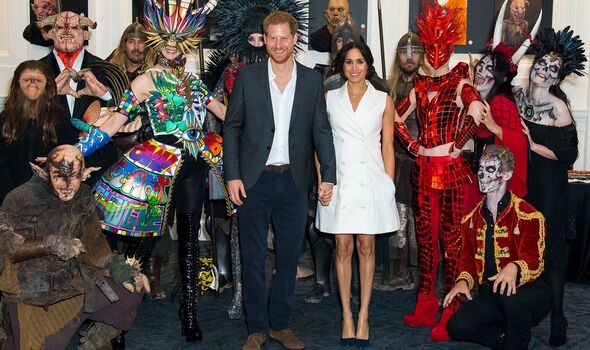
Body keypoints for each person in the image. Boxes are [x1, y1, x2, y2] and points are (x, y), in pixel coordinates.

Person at [73, 0, 227, 342]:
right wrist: (78, 148)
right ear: (156, 39)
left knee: (189, 239)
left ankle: (189, 312)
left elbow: (228, 116)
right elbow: (115, 120)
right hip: (158, 166)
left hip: (193, 163)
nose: (172, 43)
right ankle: (115, 319)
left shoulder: (195, 81)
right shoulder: (145, 80)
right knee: (141, 246)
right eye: (166, 37)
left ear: (188, 41)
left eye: (179, 37)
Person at [223, 11, 337, 350]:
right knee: (254, 257)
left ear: (294, 38)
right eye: (271, 37)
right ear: (265, 39)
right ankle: (256, 328)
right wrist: (232, 175)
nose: (277, 44)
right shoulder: (248, 77)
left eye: (283, 37)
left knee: (289, 256)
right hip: (253, 182)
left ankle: (281, 324)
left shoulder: (312, 81)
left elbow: (321, 131)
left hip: (294, 182)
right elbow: (231, 127)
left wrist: (327, 175)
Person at [394, 2, 486, 341]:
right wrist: (413, 147)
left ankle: (452, 308)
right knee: (426, 242)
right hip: (423, 170)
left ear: (449, 46)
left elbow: (476, 108)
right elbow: (393, 116)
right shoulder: (419, 84)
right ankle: (425, 304)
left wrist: (459, 141)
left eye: (440, 47)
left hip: (450, 172)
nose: (434, 53)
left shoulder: (460, 79)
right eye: (429, 47)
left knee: (452, 242)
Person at [0, 145, 147, 350]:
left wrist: (115, 265)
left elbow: (93, 244)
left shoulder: (84, 195)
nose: (68, 186)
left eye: (75, 177)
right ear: (44, 172)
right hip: (29, 293)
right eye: (59, 176)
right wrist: (49, 244)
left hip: (72, 284)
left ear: (86, 174)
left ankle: (95, 342)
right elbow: (8, 248)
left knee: (132, 287)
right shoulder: (20, 198)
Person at [315, 41, 399, 347]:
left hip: (371, 180)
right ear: (341, 65)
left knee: (366, 247)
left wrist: (388, 184)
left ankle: (363, 314)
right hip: (338, 181)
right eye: (348, 62)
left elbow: (387, 146)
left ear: (368, 65)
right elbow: (321, 146)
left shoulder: (382, 100)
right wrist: (323, 181)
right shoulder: (328, 99)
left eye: (360, 62)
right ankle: (346, 316)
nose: (354, 68)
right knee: (342, 247)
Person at [515, 26, 586, 346]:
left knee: (550, 254)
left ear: (557, 79)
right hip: (521, 182)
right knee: (520, 249)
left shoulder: (558, 108)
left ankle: (558, 316)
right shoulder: (518, 95)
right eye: (540, 64)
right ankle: (522, 312)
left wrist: (531, 143)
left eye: (551, 69)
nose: (542, 71)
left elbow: (569, 155)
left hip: (549, 186)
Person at [444, 145, 551, 349]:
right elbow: (466, 261)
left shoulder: (529, 216)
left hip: (529, 292)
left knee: (507, 296)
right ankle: (505, 337)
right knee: (457, 326)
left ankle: (517, 341)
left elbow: (534, 261)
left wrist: (514, 268)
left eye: (491, 169)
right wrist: (462, 281)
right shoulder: (471, 219)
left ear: (508, 174)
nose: (483, 175)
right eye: (481, 169)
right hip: (492, 295)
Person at [465, 0, 542, 213]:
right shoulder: (483, 99)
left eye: (489, 69)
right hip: (481, 177)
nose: (481, 71)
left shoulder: (500, 102)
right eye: (481, 65)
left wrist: (494, 127)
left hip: (495, 183)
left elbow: (519, 143)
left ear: (499, 77)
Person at [374, 31, 429, 292]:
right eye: (404, 52)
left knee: (424, 220)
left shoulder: (432, 84)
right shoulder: (388, 88)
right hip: (397, 161)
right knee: (399, 218)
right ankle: (401, 273)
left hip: (424, 161)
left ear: (422, 56)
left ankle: (430, 276)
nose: (409, 57)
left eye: (414, 52)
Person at [38, 10, 119, 186]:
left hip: (95, 166)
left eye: (74, 27)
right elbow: (21, 117)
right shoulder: (35, 71)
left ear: (85, 34)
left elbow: (123, 115)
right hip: (48, 162)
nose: (67, 31)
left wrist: (105, 95)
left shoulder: (106, 70)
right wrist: (47, 97)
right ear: (51, 33)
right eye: (59, 27)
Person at [0, 60, 78, 203]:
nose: (32, 85)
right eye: (27, 80)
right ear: (18, 84)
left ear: (47, 86)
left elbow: (70, 155)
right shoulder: (6, 118)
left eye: (37, 81)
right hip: (9, 191)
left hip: (49, 193)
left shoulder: (60, 117)